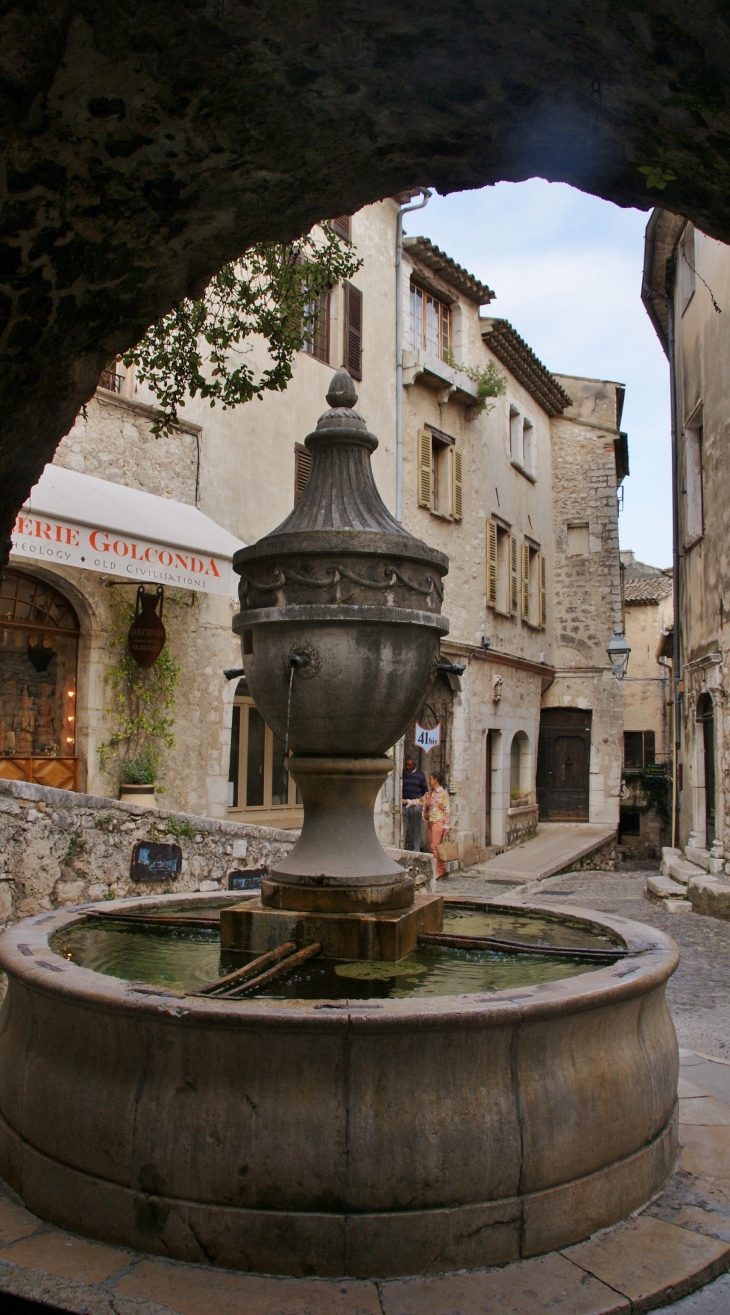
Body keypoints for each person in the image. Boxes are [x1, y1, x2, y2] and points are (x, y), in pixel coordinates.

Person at [423, 771, 451, 877]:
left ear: (436, 780)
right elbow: (421, 801)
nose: (429, 781)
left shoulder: (443, 793)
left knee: (435, 847)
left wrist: (447, 826)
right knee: (435, 846)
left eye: (430, 779)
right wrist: (408, 801)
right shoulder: (430, 793)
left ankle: (439, 870)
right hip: (431, 821)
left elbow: (447, 810)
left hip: (439, 822)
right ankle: (443, 867)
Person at [401, 755, 427, 851]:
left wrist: (420, 803)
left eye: (409, 765)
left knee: (416, 828)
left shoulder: (420, 775)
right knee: (402, 828)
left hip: (416, 806)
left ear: (414, 765)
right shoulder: (403, 775)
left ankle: (416, 850)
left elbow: (425, 792)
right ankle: (401, 848)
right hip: (404, 804)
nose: (407, 767)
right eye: (406, 765)